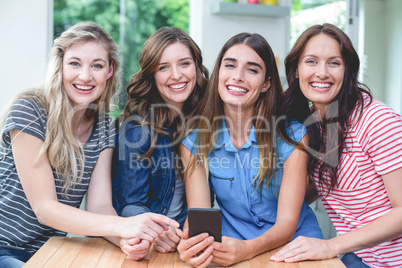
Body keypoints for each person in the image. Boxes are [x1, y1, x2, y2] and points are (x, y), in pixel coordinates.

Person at [0, 21, 179, 268]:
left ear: (109, 71)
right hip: (4, 247)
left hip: (50, 250)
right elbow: (45, 208)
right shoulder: (31, 109)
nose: (85, 76)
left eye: (97, 65)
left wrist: (126, 240)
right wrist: (124, 225)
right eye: (75, 63)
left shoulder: (103, 124)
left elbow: (100, 206)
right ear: (60, 65)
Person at [177, 32, 323, 267]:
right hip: (232, 250)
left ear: (266, 84)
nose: (238, 76)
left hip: (296, 248)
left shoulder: (292, 136)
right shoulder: (194, 140)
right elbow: (200, 217)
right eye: (230, 65)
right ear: (218, 74)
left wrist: (247, 250)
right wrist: (193, 243)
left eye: (252, 70)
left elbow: (286, 224)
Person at [270, 23, 402, 268]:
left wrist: (330, 245)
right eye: (311, 61)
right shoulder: (315, 124)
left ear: (348, 71)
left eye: (333, 62)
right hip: (358, 257)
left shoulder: (377, 120)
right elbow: (312, 189)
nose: (322, 72)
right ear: (296, 70)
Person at [112, 27, 209, 256]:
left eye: (184, 63)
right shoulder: (137, 129)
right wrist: (158, 231)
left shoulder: (205, 121)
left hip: (186, 242)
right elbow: (130, 204)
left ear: (196, 66)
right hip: (147, 245)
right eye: (163, 67)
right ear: (152, 76)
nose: (176, 75)